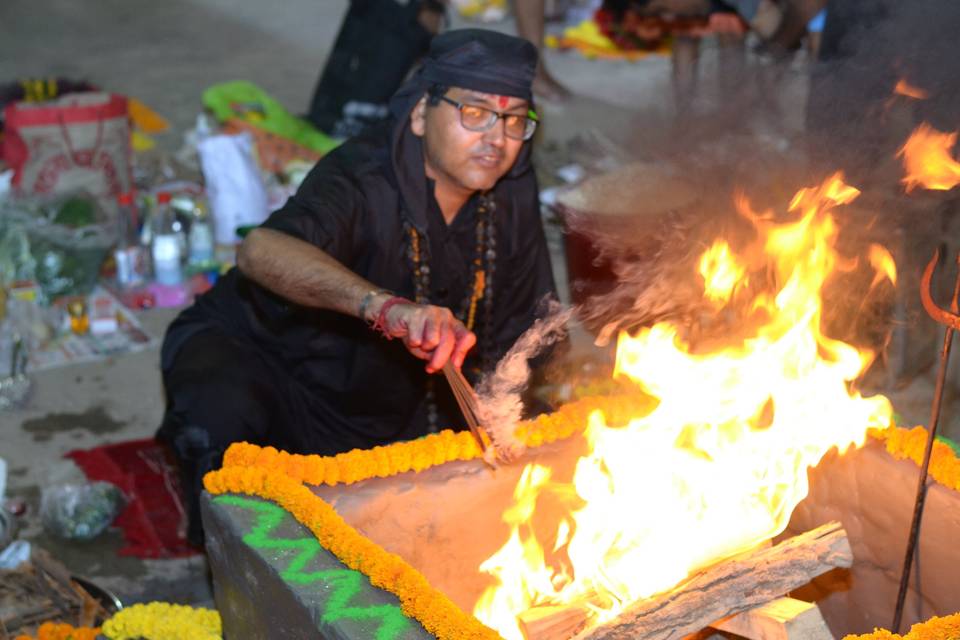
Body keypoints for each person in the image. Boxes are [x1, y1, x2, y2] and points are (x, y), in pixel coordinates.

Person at [158, 28, 558, 545]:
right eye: (475, 113)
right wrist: (387, 308)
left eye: (513, 119)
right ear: (419, 114)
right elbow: (259, 250)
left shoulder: (512, 186)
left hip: (383, 397)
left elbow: (526, 321)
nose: (496, 138)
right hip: (272, 365)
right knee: (223, 427)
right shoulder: (362, 173)